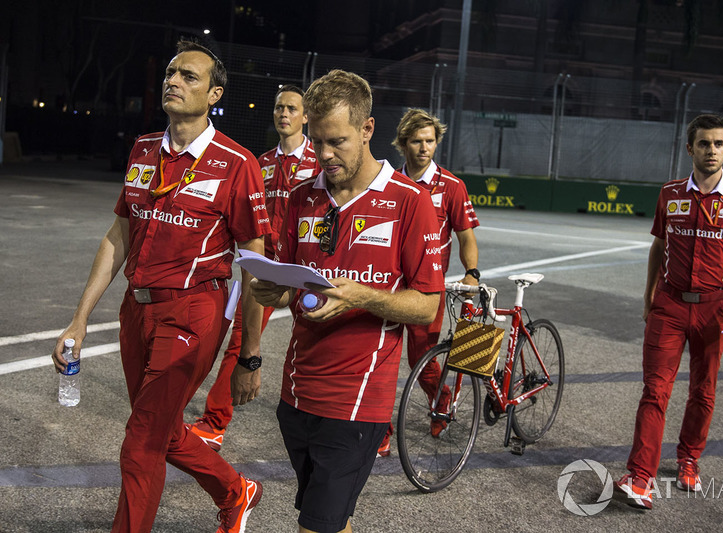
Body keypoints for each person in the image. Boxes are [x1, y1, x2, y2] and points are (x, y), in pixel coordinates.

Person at [51, 40, 268, 532]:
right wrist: (80, 320)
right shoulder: (144, 148)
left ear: (214, 94)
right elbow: (118, 236)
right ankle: (236, 491)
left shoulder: (237, 163)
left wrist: (250, 352)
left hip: (194, 311)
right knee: (164, 430)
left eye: (189, 76)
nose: (174, 81)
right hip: (137, 310)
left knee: (142, 441)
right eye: (172, 73)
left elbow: (255, 264)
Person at [249, 69, 444, 533]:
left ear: (367, 129)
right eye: (316, 141)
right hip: (296, 394)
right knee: (333, 520)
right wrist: (269, 289)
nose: (323, 155)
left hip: (358, 401)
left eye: (336, 141)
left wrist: (362, 297)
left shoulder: (410, 202)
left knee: (316, 525)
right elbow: (284, 282)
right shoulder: (300, 198)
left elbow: (427, 307)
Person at [613, 114, 723, 510]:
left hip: (716, 309)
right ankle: (641, 478)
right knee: (655, 390)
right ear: (690, 148)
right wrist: (649, 294)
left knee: (703, 390)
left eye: (719, 143)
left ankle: (689, 459)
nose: (711, 151)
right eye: (704, 144)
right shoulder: (670, 192)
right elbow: (658, 246)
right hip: (669, 305)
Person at [188, 84, 321, 451]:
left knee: (324, 345)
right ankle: (215, 423)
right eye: (279, 107)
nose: (284, 114)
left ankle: (353, 426)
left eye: (292, 108)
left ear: (306, 116)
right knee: (240, 339)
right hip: (266, 269)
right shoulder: (259, 163)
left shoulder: (320, 164)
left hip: (306, 269)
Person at [375, 108, 480, 457]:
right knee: (382, 356)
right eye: (417, 141)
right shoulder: (388, 181)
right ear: (402, 144)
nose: (424, 148)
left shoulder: (451, 186)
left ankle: (440, 399)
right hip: (389, 285)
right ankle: (381, 430)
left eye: (430, 141)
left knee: (421, 358)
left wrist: (472, 272)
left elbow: (465, 236)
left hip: (427, 289)